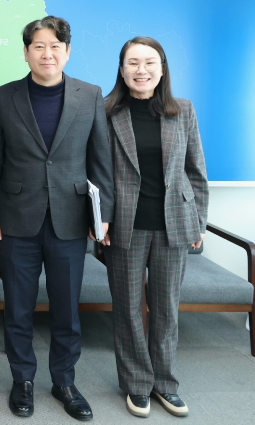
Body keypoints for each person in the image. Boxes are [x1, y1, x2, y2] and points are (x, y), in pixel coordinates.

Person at [0, 16, 114, 421]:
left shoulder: (90, 95)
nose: (47, 53)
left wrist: (102, 215)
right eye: (38, 46)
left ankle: (64, 382)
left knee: (66, 310)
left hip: (70, 219)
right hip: (17, 218)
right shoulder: (3, 97)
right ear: (26, 52)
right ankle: (22, 379)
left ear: (67, 51)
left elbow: (100, 161)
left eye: (55, 46)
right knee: (18, 308)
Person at [103, 37, 207, 418]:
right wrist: (100, 219)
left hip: (173, 225)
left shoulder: (183, 110)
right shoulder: (107, 112)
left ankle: (165, 383)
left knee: (166, 310)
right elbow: (97, 173)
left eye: (149, 62)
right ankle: (137, 383)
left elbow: (196, 171)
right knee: (128, 310)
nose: (141, 70)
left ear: (162, 69)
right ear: (122, 69)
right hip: (124, 226)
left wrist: (198, 221)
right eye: (133, 62)